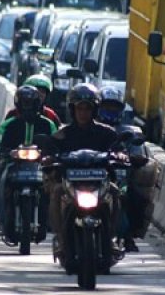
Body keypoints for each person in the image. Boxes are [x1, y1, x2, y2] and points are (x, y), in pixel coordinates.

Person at [45, 83, 119, 267]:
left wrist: (122, 155)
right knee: (55, 193)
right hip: (71, 184)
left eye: (87, 108)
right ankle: (61, 239)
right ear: (72, 110)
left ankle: (112, 238)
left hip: (100, 183)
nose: (83, 113)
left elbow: (118, 150)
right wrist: (48, 159)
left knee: (117, 194)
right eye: (79, 108)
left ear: (94, 110)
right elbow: (50, 151)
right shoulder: (63, 134)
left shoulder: (107, 133)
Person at [96, 86, 158, 253]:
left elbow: (138, 152)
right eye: (107, 106)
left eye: (114, 107)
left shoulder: (129, 131)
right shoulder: (91, 129)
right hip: (93, 177)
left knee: (135, 198)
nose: (110, 111)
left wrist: (133, 158)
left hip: (119, 178)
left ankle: (129, 234)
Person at [0, 85, 57, 229]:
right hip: (14, 163)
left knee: (56, 181)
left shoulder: (47, 124)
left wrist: (52, 155)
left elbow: (55, 143)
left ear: (37, 103)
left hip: (41, 164)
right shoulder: (10, 124)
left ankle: (53, 216)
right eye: (24, 103)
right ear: (18, 104)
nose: (28, 107)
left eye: (31, 103)